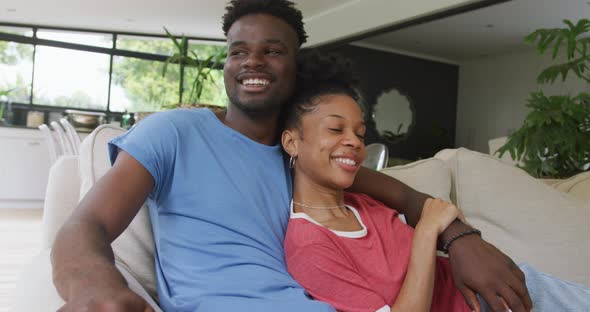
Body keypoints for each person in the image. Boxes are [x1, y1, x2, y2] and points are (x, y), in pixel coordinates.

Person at [51, 1, 532, 311]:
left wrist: (465, 240)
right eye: (238, 51)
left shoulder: (301, 156)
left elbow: (407, 196)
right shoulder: (172, 132)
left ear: (295, 64)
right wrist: (92, 285)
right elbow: (84, 227)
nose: (252, 61)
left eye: (272, 50)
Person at [282, 51, 590, 312]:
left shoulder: (366, 204)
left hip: (511, 291)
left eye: (360, 133)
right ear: (292, 142)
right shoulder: (310, 248)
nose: (354, 142)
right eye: (336, 130)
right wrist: (427, 231)